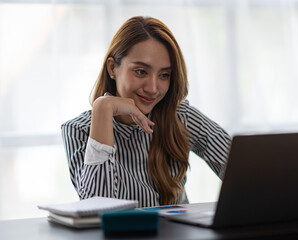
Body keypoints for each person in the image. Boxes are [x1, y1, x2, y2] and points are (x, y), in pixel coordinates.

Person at [61, 16, 231, 208]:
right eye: (141, 71)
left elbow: (244, 172)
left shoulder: (180, 117)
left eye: (164, 75)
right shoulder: (78, 130)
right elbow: (98, 209)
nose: (153, 88)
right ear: (112, 68)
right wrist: (103, 107)